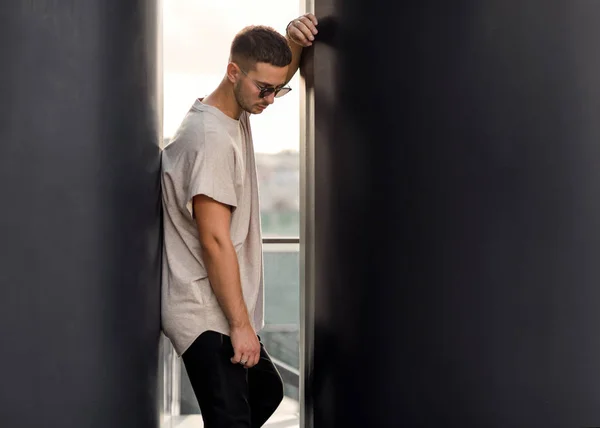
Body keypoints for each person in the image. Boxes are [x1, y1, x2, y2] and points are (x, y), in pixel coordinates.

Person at [160, 13, 319, 428]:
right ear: (233, 72)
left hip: (218, 308)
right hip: (204, 315)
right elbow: (214, 240)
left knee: (265, 391)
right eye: (264, 90)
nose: (269, 100)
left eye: (277, 91)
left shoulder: (234, 111)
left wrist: (293, 39)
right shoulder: (210, 140)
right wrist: (240, 326)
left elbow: (272, 71)